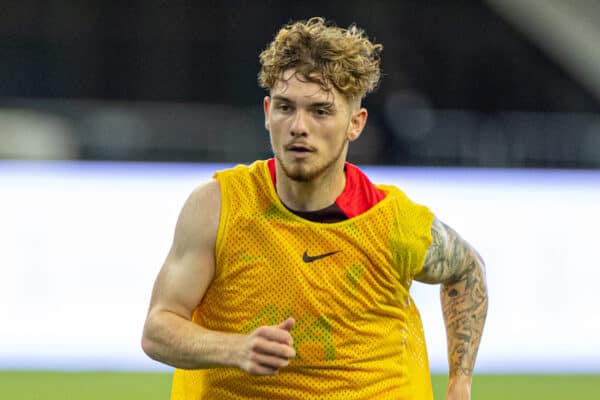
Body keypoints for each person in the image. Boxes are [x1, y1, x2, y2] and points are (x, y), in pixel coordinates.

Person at [141, 17, 488, 400]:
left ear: (355, 124)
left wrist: (460, 383)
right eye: (286, 108)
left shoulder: (392, 222)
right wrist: (235, 348)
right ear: (266, 112)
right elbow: (158, 328)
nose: (298, 126)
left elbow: (467, 269)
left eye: (320, 111)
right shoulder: (219, 205)